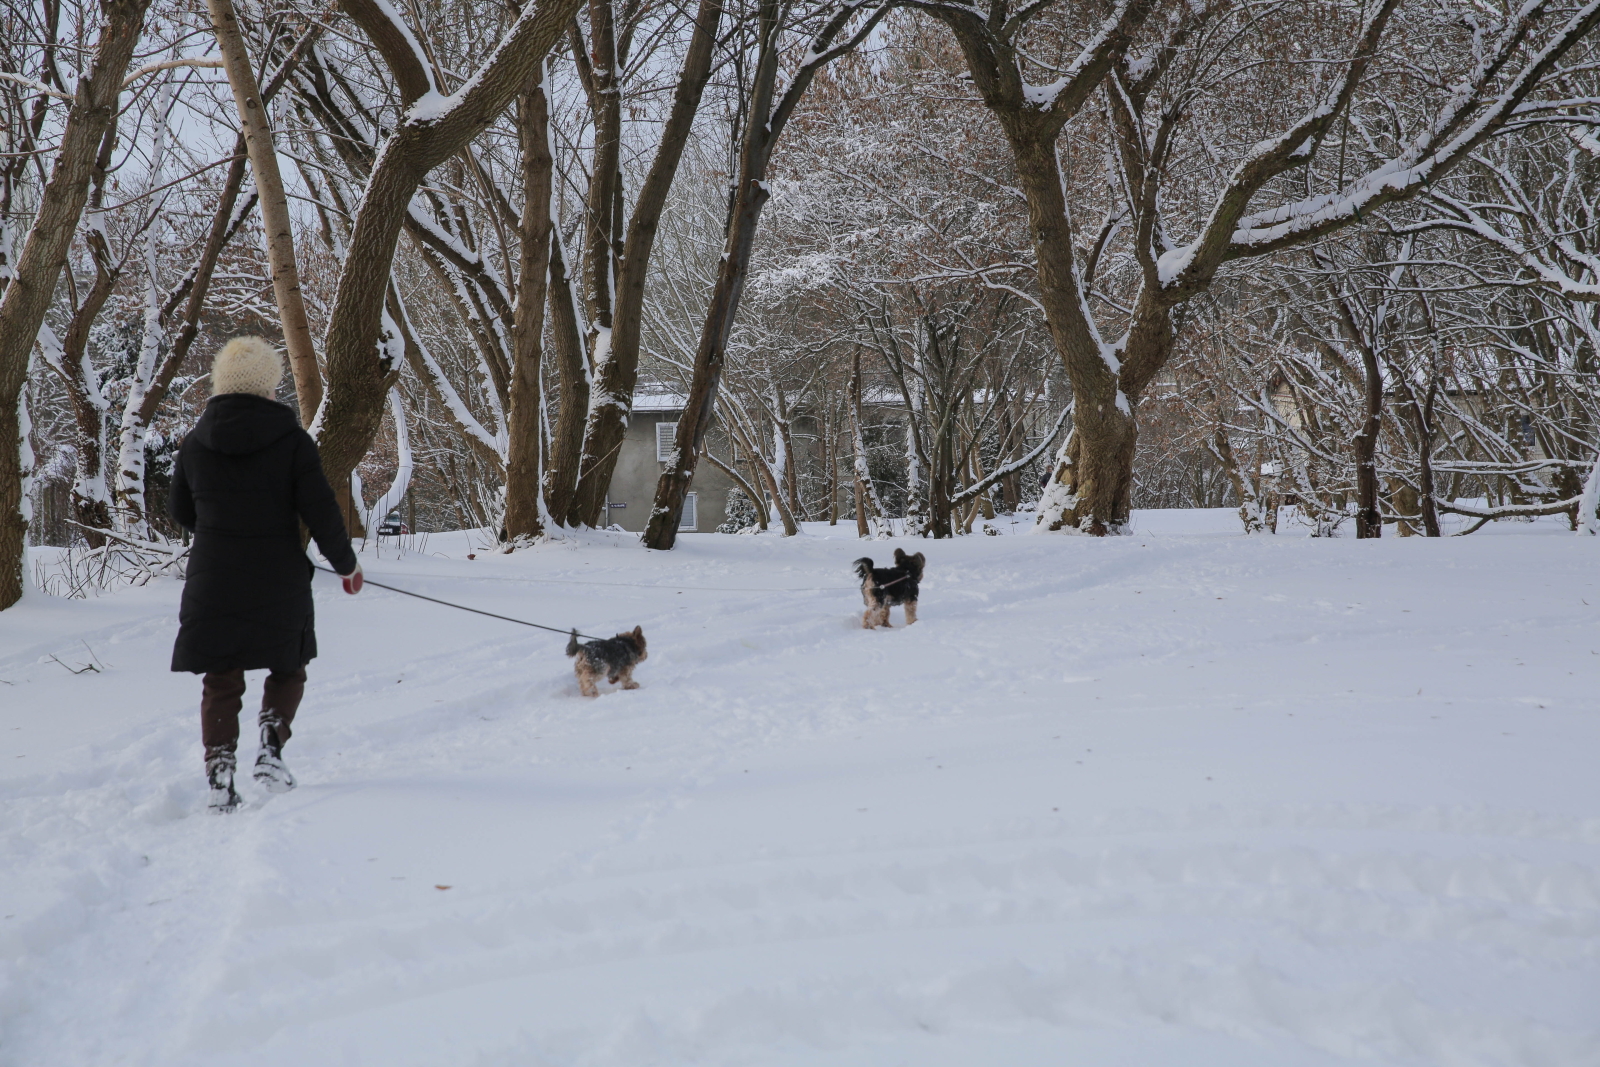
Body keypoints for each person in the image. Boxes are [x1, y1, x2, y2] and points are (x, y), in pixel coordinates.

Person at [169, 337, 364, 812]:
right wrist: (347, 565)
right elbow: (321, 512)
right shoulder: (293, 442)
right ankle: (271, 749)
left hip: (213, 578)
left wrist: (218, 529)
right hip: (278, 576)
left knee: (221, 678)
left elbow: (181, 511)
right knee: (288, 664)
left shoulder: (195, 444)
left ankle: (220, 772)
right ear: (267, 387)